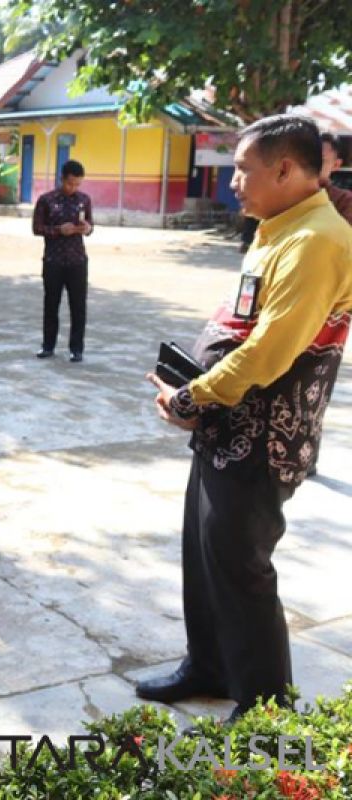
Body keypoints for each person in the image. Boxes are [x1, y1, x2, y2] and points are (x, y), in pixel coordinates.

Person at [139, 115, 352, 724]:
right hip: (226, 426)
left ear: (285, 169)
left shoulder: (317, 240)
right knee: (205, 554)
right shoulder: (278, 228)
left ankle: (265, 708)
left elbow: (271, 351)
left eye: (243, 169)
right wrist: (198, 390)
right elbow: (242, 321)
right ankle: (208, 666)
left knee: (242, 566)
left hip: (264, 438)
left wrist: (191, 398)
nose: (232, 181)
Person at [33, 159, 93, 362]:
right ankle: (48, 346)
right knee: (51, 304)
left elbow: (90, 225)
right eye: (70, 183)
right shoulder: (46, 200)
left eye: (77, 184)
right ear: (62, 179)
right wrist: (59, 230)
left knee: (78, 306)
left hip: (77, 261)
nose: (73, 188)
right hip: (53, 261)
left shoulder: (84, 199)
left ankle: (77, 349)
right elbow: (37, 228)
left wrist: (87, 228)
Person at [320, 132, 352, 225]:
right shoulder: (288, 194)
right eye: (308, 160)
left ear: (336, 165)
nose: (312, 166)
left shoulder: (344, 200)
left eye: (321, 161)